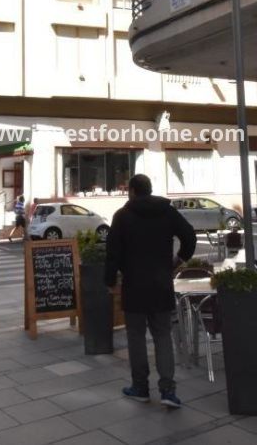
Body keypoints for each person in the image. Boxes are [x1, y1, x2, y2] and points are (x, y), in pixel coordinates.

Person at [105, 174, 196, 409]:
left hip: (134, 284)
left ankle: (140, 387)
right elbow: (190, 236)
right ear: (150, 189)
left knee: (136, 337)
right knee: (163, 335)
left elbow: (113, 253)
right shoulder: (167, 211)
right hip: (161, 283)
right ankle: (168, 390)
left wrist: (109, 281)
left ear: (133, 191)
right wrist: (178, 260)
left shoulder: (122, 216)